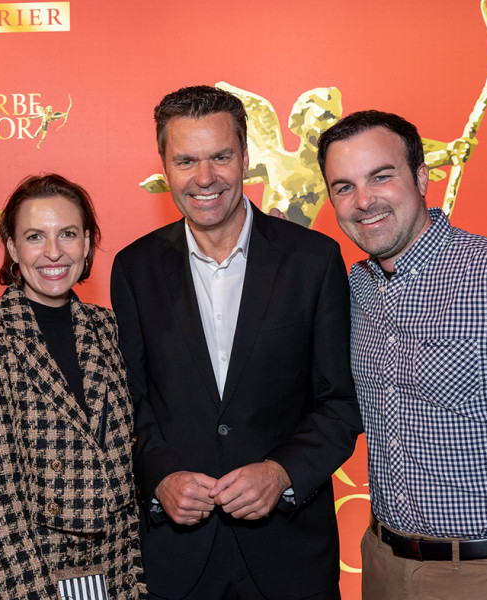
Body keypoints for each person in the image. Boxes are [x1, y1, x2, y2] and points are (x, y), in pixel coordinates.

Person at [110, 85, 362, 599]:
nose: (204, 178)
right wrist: (160, 477)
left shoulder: (313, 260)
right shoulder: (134, 268)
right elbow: (128, 402)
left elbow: (341, 402)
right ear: (165, 166)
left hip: (290, 556)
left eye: (220, 157)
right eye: (186, 160)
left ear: (246, 158)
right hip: (176, 559)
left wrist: (282, 473)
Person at [316, 109, 487, 599]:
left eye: (381, 177)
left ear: (421, 178)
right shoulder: (356, 289)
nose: (363, 201)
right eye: (344, 187)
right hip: (382, 565)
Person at [0, 174, 146, 599]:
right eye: (35, 236)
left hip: (118, 569)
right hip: (37, 572)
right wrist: (34, 592)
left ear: (87, 243)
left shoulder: (109, 328)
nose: (54, 252)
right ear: (12, 248)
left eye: (68, 234)